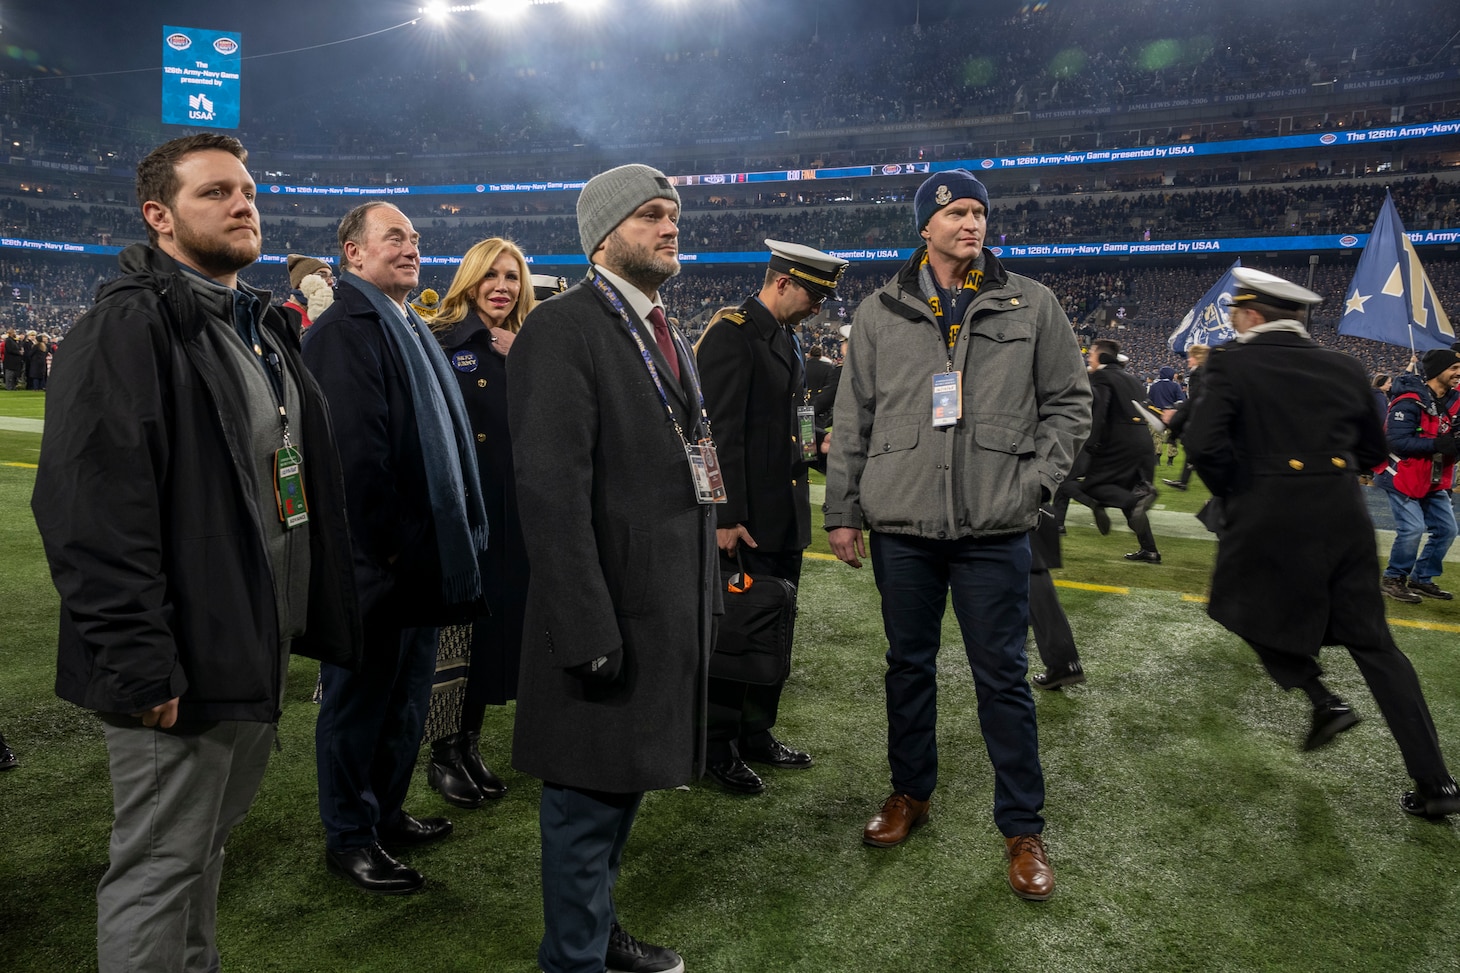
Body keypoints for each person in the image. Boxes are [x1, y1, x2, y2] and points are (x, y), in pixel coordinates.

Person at [32, 133, 362, 972]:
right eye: (215, 192)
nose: (242, 203)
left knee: (200, 853)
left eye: (247, 190)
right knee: (158, 867)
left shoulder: (251, 323)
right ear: (160, 216)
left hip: (247, 650)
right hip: (179, 667)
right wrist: (141, 662)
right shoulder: (128, 324)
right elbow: (89, 513)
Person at [823, 169, 1091, 900]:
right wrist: (843, 509)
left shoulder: (1032, 302)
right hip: (902, 523)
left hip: (993, 523)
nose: (971, 223)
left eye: (979, 212)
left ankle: (1022, 827)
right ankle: (910, 791)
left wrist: (1035, 481)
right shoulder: (879, 311)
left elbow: (1070, 402)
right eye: (956, 213)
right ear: (926, 226)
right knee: (907, 666)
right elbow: (854, 417)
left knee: (1001, 676)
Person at [508, 163, 716, 973]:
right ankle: (574, 957)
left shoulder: (657, 320)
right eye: (651, 216)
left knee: (620, 785)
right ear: (604, 236)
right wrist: (585, 625)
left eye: (673, 215)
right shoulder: (564, 327)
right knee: (586, 794)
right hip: (608, 610)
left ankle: (592, 932)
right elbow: (551, 493)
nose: (670, 227)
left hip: (662, 600)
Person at [1183, 266, 1460, 819]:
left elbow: (1205, 443)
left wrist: (1242, 493)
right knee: (1376, 647)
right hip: (1343, 516)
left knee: (1233, 605)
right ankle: (1438, 784)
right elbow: (1374, 449)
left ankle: (1320, 695)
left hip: (1268, 513)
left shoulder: (1231, 363)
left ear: (1250, 314)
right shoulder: (1346, 365)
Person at [303, 201, 490, 894]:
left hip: (413, 561)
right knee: (358, 707)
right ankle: (349, 835)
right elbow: (357, 462)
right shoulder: (344, 329)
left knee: (405, 702)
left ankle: (383, 812)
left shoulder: (404, 321)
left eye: (414, 238)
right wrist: (393, 552)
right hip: (377, 565)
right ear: (353, 254)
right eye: (394, 238)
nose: (411, 248)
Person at [693, 239, 847, 795]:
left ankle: (757, 732)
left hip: (781, 513)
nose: (819, 308)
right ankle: (716, 745)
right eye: (813, 294)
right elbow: (709, 436)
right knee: (735, 631)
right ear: (782, 281)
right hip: (745, 517)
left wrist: (814, 448)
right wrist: (722, 515)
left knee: (772, 627)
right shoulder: (732, 334)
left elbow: (797, 414)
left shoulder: (786, 336)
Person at [420, 237, 538, 808]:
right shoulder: (440, 338)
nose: (502, 286)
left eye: (512, 277)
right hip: (465, 513)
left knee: (492, 638)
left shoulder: (528, 343)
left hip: (512, 515)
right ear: (469, 279)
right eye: (491, 275)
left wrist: (528, 360)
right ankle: (442, 754)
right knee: (456, 638)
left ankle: (467, 744)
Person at [1374, 348, 1460, 604]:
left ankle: (1422, 578)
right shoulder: (1409, 400)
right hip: (1403, 473)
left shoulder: (1454, 400)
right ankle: (1393, 579)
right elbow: (1396, 441)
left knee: (1446, 529)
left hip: (1433, 476)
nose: (1459, 373)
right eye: (1454, 369)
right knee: (1412, 528)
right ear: (1437, 372)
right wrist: (1438, 445)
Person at [1080, 337, 1162, 563]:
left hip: (1118, 441)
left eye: (1091, 353)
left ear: (1100, 355)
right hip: (1142, 441)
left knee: (1092, 485)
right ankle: (1150, 550)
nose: (1089, 357)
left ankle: (1135, 502)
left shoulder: (1102, 376)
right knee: (1130, 494)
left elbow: (1100, 410)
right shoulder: (1132, 378)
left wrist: (1090, 443)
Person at [1162, 344, 1209, 491]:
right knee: (1191, 450)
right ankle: (1183, 481)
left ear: (1197, 358)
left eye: (1191, 357)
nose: (1188, 360)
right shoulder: (1206, 372)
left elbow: (1195, 398)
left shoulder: (1197, 373)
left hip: (1199, 417)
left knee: (1193, 447)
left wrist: (1179, 411)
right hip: (1203, 415)